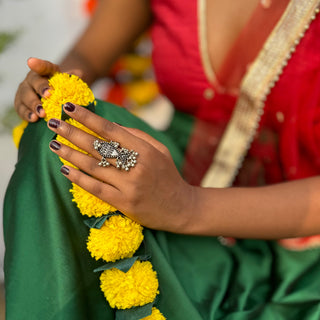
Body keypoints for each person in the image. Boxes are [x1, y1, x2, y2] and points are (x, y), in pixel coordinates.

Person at [4, 0, 320, 318]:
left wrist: (188, 207)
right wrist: (51, 90)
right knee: (59, 139)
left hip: (301, 247)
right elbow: (85, 58)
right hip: (173, 173)